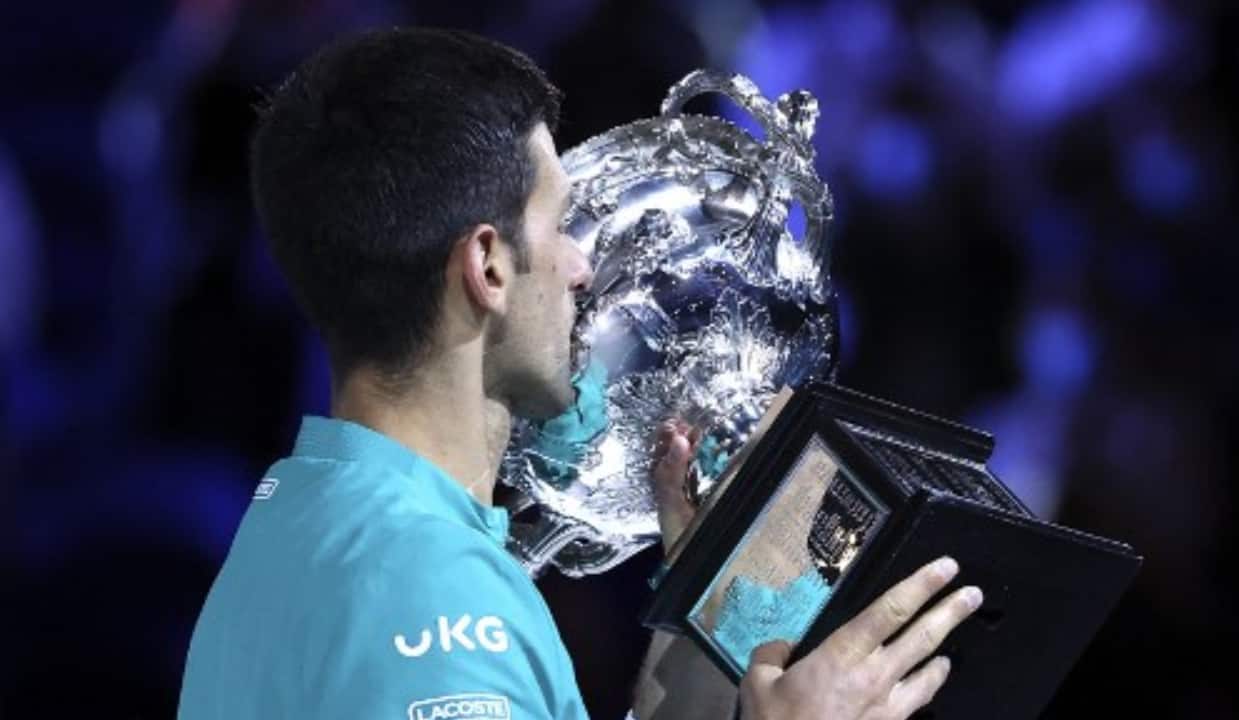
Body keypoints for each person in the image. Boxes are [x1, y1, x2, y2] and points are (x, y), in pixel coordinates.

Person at [176, 27, 984, 720]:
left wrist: (707, 609)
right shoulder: (431, 601)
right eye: (563, 224)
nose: (583, 267)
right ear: (487, 267)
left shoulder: (316, 522)